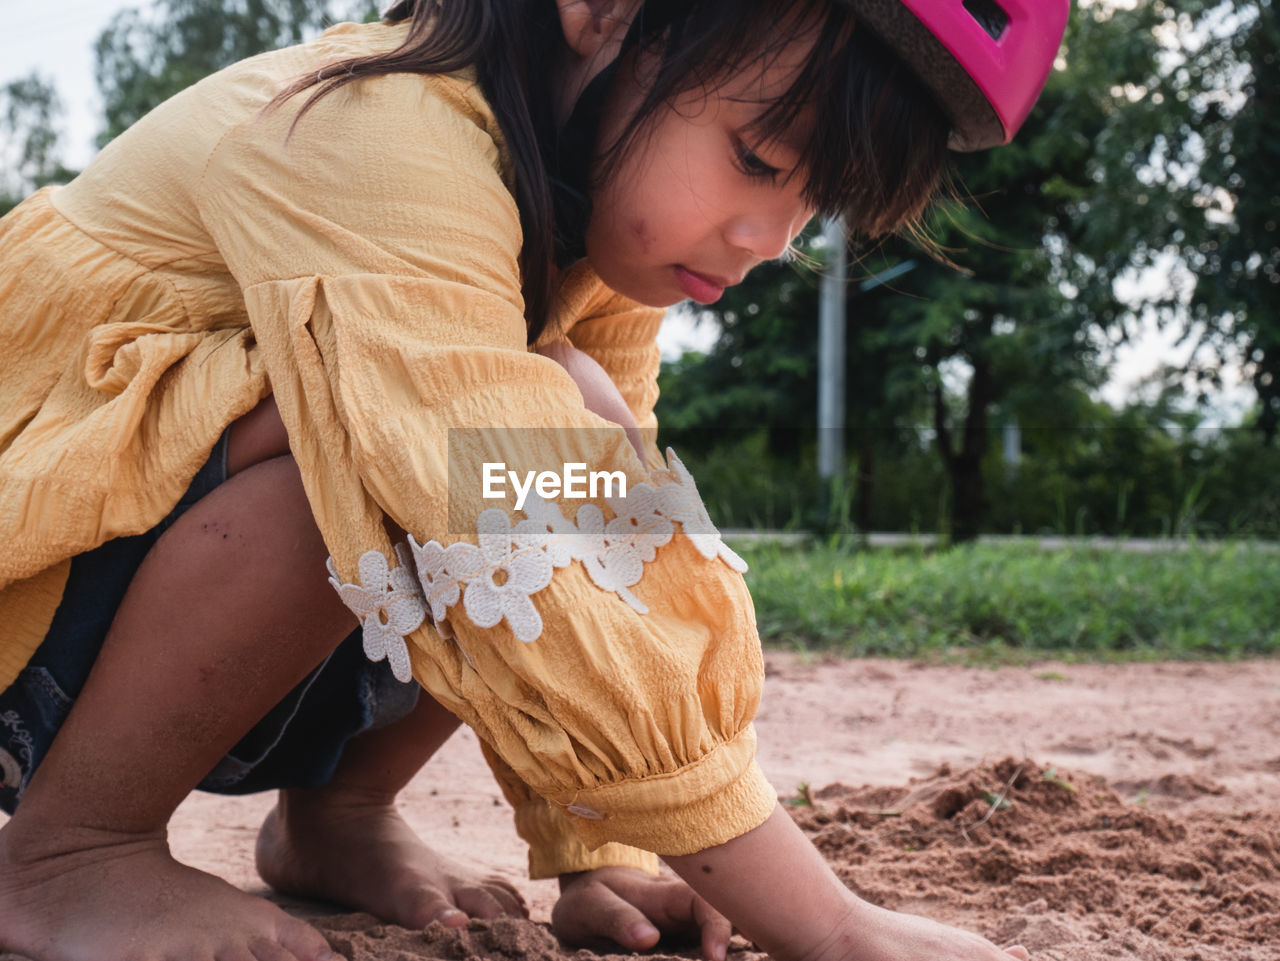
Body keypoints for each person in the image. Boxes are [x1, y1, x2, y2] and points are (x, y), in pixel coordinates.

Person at [0, 1, 1069, 959]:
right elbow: (505, 506)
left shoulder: (588, 231)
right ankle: (71, 852)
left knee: (555, 446)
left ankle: (337, 810)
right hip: (32, 572)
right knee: (446, 451)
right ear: (605, 13)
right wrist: (829, 928)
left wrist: (593, 849)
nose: (766, 238)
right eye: (754, 156)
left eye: (813, 201)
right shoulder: (381, 129)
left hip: (142, 590)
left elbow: (602, 542)